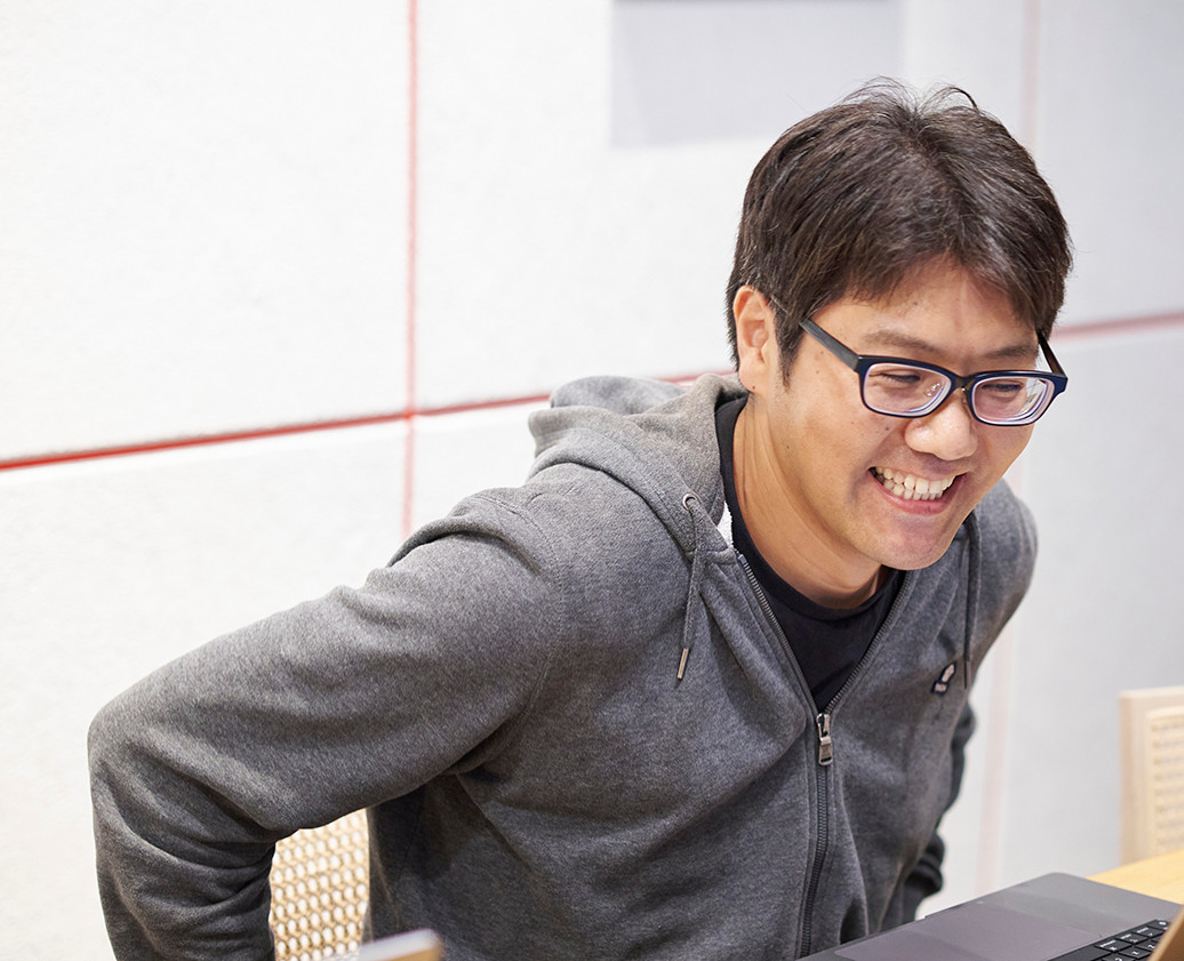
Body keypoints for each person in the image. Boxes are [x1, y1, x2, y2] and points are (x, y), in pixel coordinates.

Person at [88, 79, 1071, 961]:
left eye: (1003, 381)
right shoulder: (564, 577)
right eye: (899, 376)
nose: (952, 438)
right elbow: (159, 765)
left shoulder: (982, 551)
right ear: (759, 339)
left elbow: (899, 831)